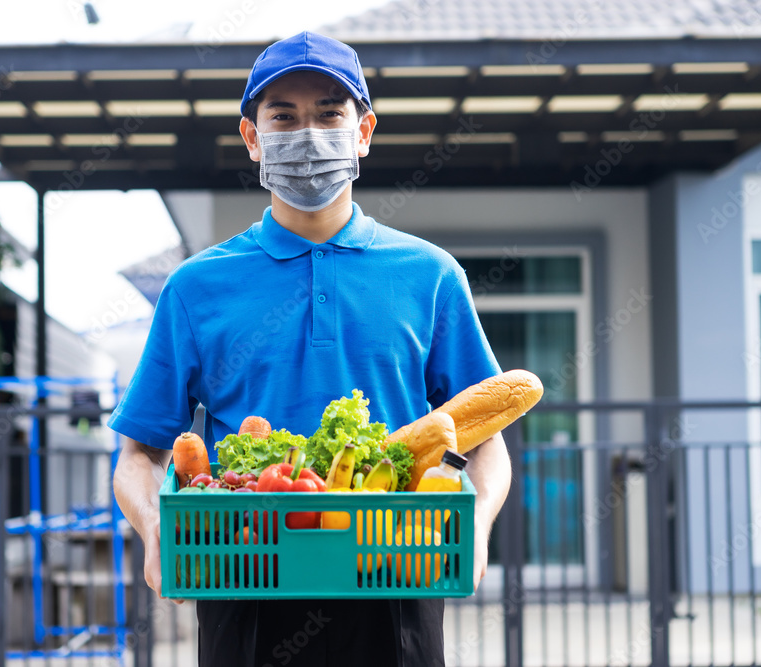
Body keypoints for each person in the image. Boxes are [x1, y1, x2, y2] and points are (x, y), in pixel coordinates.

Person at [109, 31, 512, 667]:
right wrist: (156, 527)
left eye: (330, 113)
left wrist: (478, 525)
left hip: (394, 578)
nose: (309, 133)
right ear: (252, 138)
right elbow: (138, 454)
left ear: (364, 131)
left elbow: (487, 441)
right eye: (284, 117)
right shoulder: (196, 286)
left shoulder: (430, 276)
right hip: (243, 580)